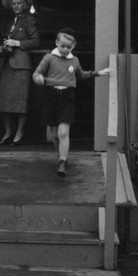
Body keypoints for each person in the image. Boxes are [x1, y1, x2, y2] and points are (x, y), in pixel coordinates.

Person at [33, 27, 111, 176]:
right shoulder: (49, 58)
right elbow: (37, 73)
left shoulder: (74, 60)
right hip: (51, 96)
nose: (64, 49)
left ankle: (62, 161)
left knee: (63, 132)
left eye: (68, 47)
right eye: (62, 46)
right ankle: (60, 156)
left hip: (67, 97)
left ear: (73, 47)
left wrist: (98, 73)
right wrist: (39, 79)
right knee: (54, 135)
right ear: (56, 42)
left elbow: (80, 75)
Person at [0, 0, 40, 146]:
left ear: (25, 5)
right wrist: (3, 48)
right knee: (3, 101)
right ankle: (9, 130)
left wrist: (18, 43)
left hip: (22, 65)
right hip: (7, 64)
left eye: (19, 3)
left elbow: (36, 41)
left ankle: (20, 132)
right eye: (13, 3)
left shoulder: (29, 20)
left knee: (20, 102)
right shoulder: (7, 22)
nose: (16, 6)